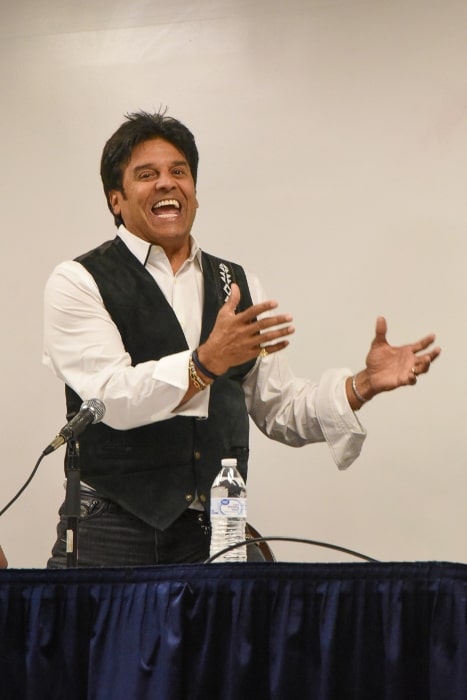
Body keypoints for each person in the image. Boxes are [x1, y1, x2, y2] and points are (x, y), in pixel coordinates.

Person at [43, 110, 441, 568]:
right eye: (146, 175)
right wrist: (204, 363)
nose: (167, 184)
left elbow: (280, 408)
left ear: (194, 191)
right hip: (111, 531)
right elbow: (111, 397)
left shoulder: (236, 282)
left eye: (179, 172)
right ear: (117, 199)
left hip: (215, 530)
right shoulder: (79, 280)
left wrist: (360, 387)